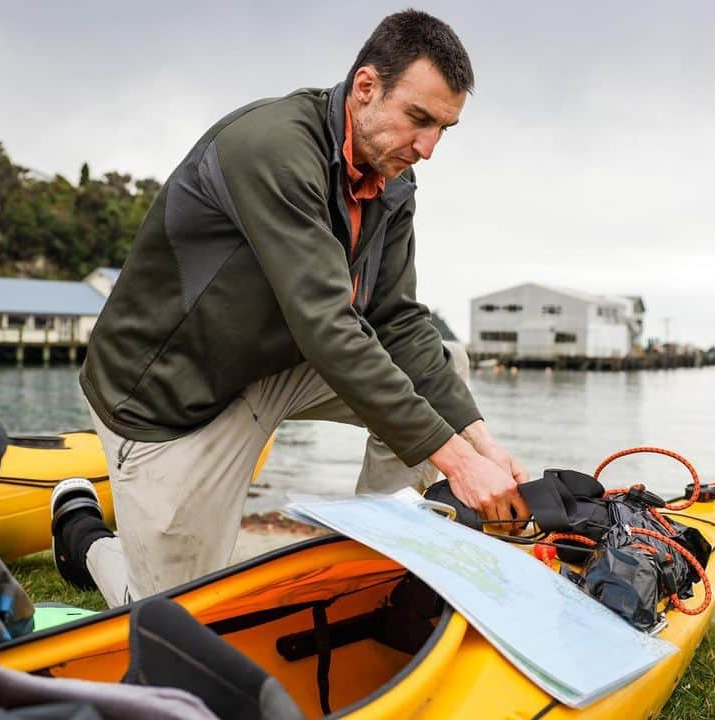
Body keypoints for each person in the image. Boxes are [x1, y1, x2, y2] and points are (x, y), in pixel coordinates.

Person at [52, 10, 531, 608]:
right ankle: (82, 534)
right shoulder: (274, 149)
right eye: (419, 119)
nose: (429, 148)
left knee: (443, 361)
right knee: (170, 618)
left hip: (274, 365)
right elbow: (330, 327)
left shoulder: (393, 178)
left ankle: (377, 567)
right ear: (365, 88)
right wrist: (458, 464)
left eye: (444, 129)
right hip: (171, 401)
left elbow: (397, 319)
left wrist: (481, 443)